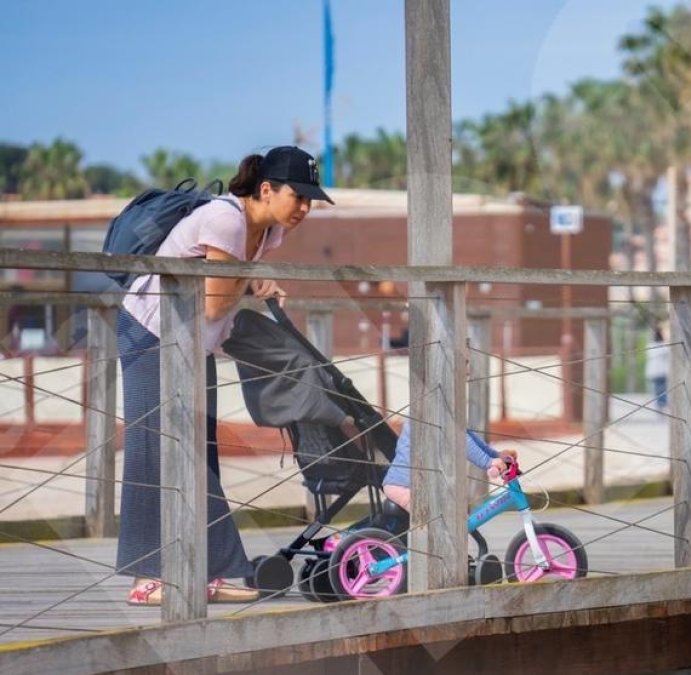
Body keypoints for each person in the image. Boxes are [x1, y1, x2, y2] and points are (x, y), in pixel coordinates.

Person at [119, 146, 334, 606]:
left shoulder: (267, 232)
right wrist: (250, 282)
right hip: (150, 332)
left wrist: (252, 280)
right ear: (266, 189)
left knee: (201, 449)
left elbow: (224, 291)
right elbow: (216, 302)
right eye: (297, 196)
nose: (304, 208)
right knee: (157, 446)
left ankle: (206, 571)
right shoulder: (227, 220)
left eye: (311, 201)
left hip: (194, 342)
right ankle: (149, 577)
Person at [382, 423, 515, 510]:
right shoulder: (431, 409)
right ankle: (430, 553)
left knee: (458, 510)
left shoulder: (445, 408)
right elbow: (460, 439)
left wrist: (496, 455)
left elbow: (468, 435)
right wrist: (488, 462)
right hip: (403, 485)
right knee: (434, 519)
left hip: (424, 482)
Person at [644, 326, 669, 411]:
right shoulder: (665, 346)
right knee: (663, 390)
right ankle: (662, 404)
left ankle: (659, 405)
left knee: (656, 390)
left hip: (654, 372)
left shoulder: (650, 346)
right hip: (663, 371)